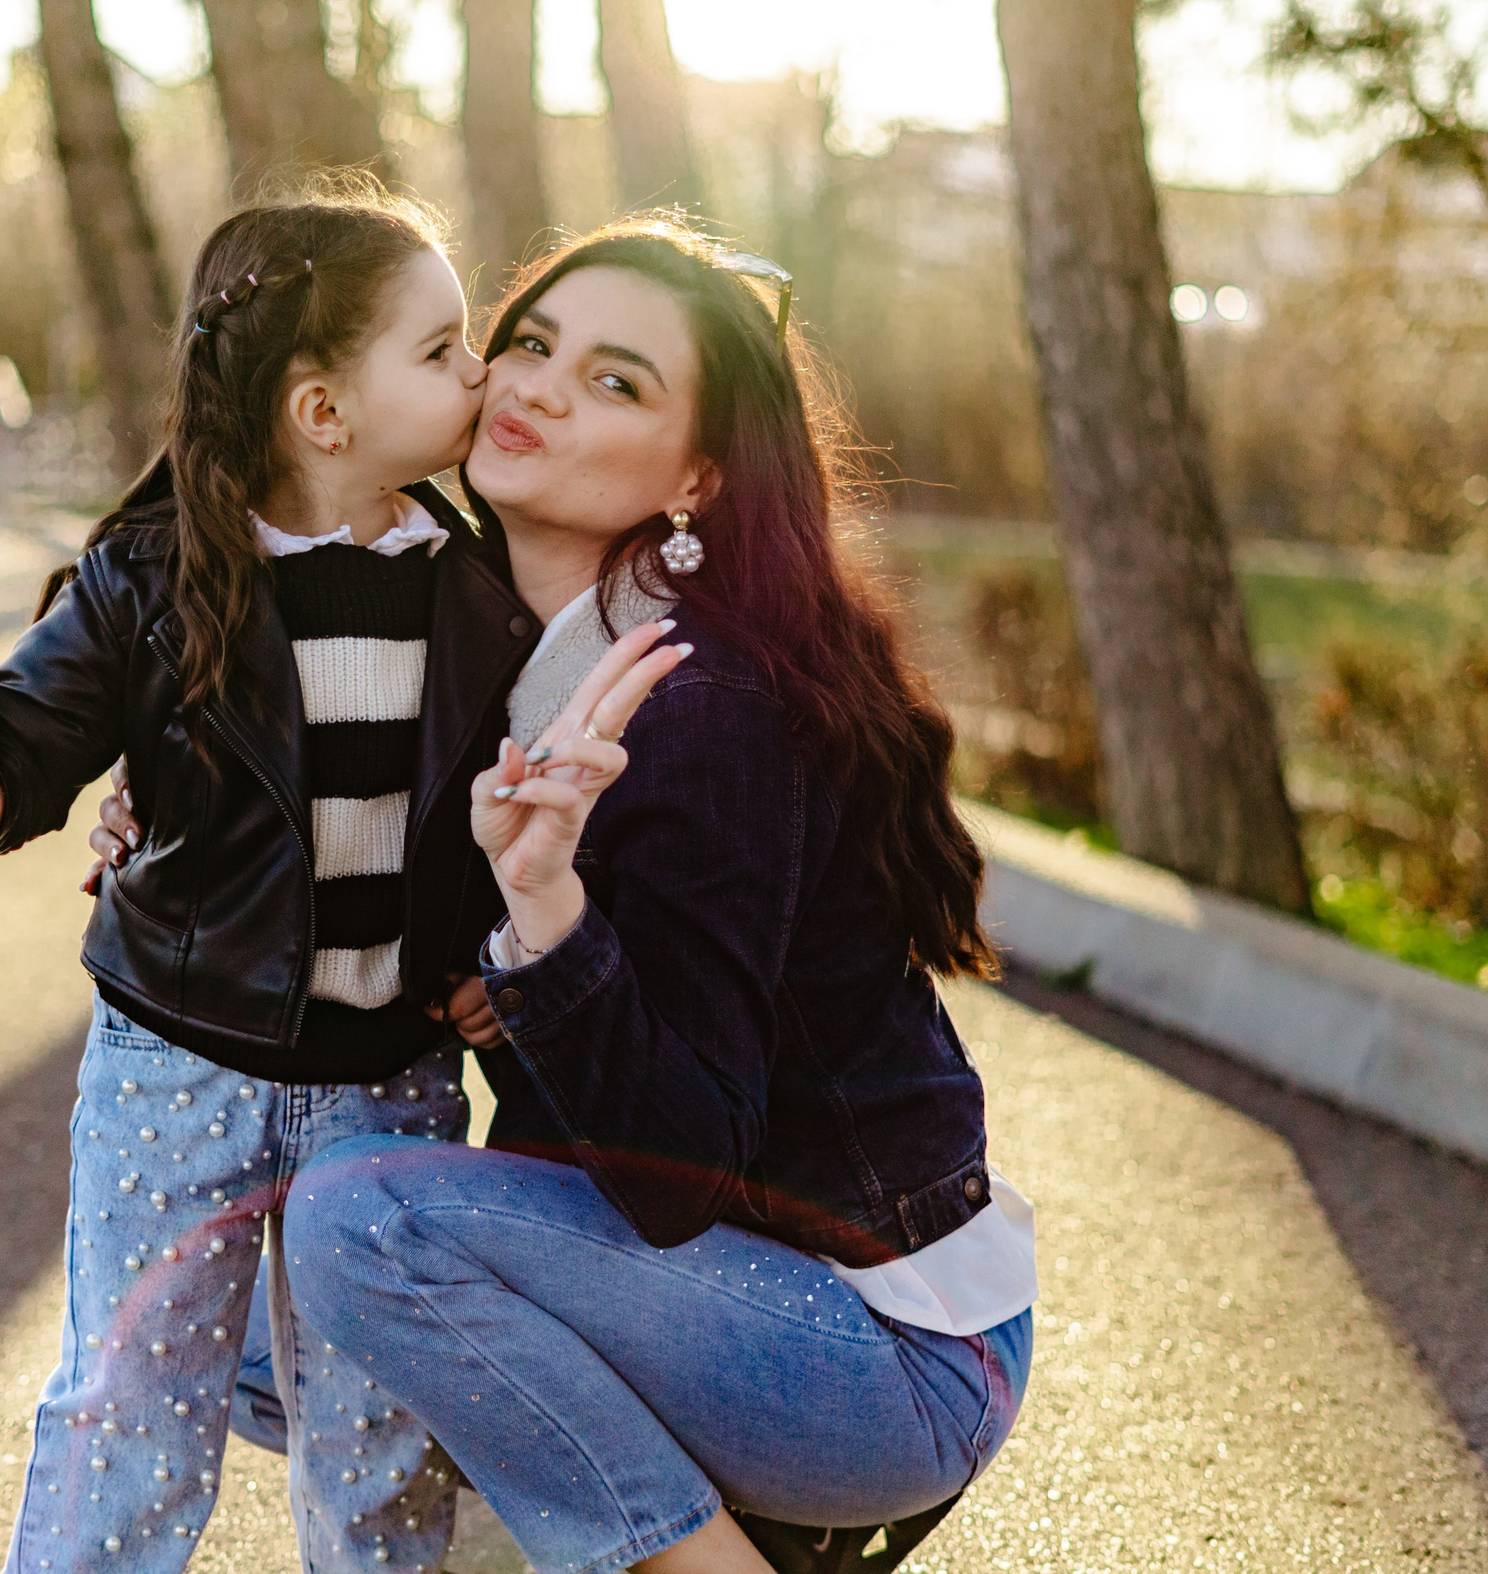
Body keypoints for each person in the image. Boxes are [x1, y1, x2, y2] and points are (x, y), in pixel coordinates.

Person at [90, 219, 1037, 1574]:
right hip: (705, 1291)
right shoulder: (477, 644)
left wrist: (544, 920)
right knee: (236, 1318)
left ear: (698, 478)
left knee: (361, 1225)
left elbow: (679, 1169)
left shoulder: (696, 704)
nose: (536, 386)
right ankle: (576, 1531)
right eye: (528, 345)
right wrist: (180, 819)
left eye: (615, 381)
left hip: (870, 1349)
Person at [0, 184, 527, 1574]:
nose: (478, 373)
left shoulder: (479, 592)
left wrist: (491, 961)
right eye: (441, 349)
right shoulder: (156, 575)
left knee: (382, 1437)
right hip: (177, 1065)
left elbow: (489, 824)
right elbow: (34, 716)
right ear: (323, 413)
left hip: (387, 1081)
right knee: (129, 1404)